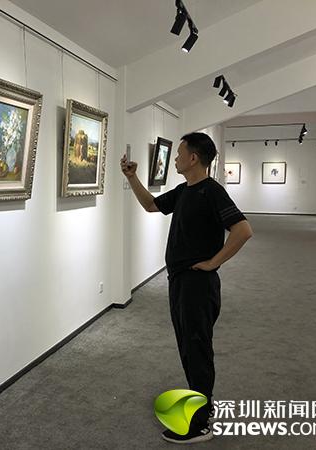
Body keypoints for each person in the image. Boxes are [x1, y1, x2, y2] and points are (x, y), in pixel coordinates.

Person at [121, 132, 253, 444]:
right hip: (180, 281)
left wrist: (213, 262)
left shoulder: (212, 192)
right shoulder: (184, 191)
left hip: (197, 284)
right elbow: (151, 205)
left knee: (197, 348)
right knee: (188, 346)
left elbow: (243, 230)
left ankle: (200, 423)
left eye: (179, 154)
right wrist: (132, 177)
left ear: (193, 158)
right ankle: (203, 404)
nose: (176, 160)